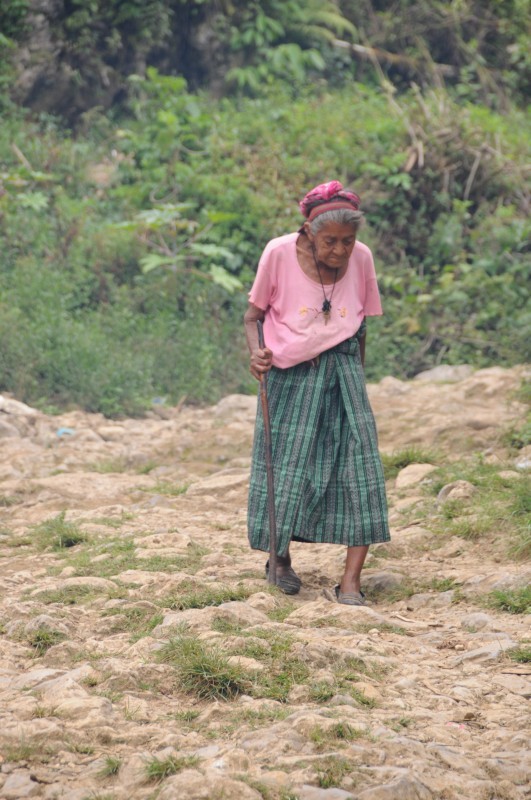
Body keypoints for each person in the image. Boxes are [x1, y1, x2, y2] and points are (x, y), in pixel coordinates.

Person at [244, 180, 390, 605]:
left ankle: (350, 582)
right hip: (290, 376)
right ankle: (280, 559)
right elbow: (253, 317)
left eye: (348, 240)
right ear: (308, 232)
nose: (340, 251)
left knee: (361, 471)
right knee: (287, 471)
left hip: (343, 372)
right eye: (330, 241)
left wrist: (356, 382)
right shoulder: (277, 252)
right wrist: (257, 356)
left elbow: (361, 324)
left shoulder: (361, 258)